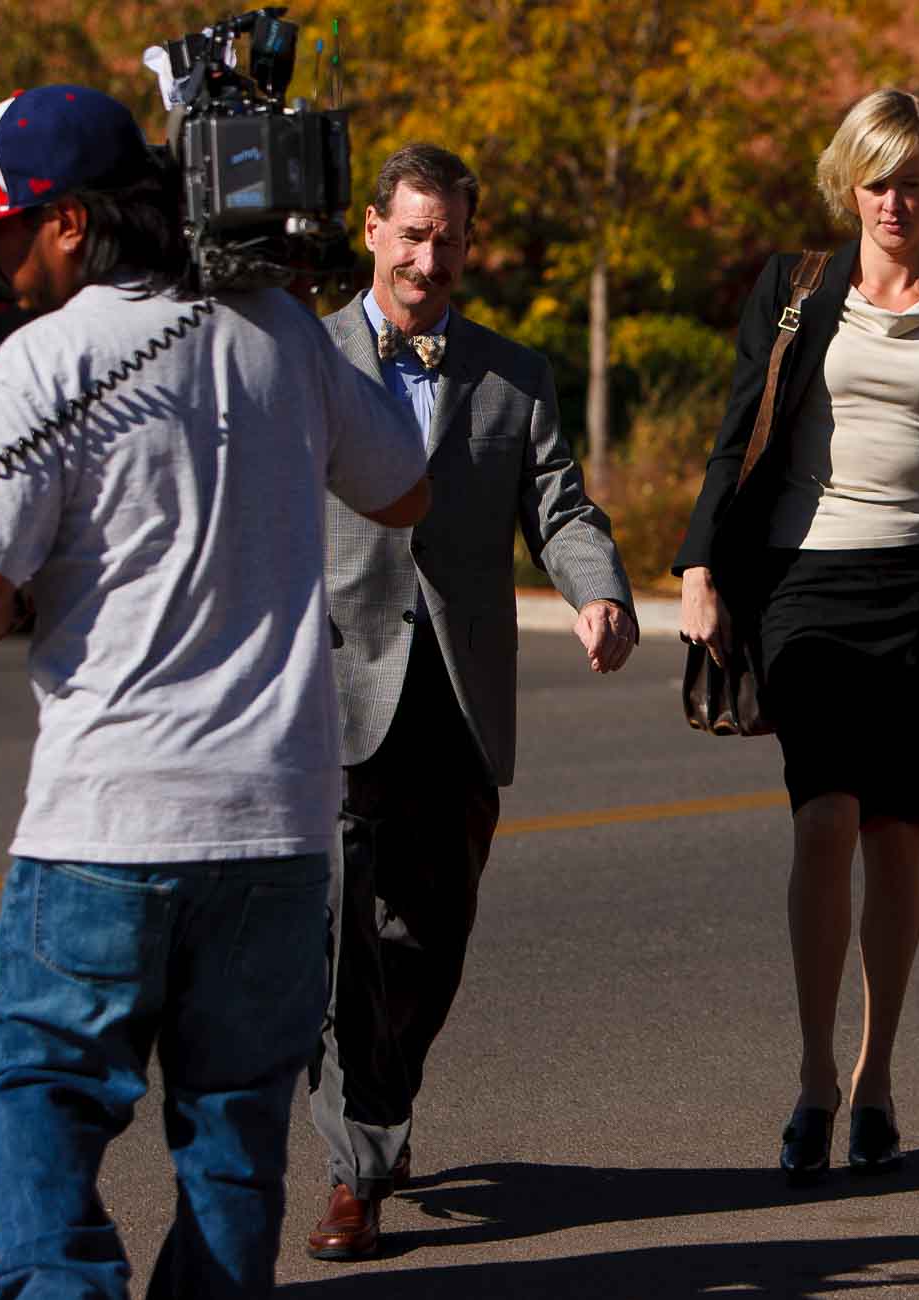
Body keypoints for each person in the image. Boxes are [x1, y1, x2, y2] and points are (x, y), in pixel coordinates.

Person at [0, 85, 431, 1299]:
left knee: (45, 1093)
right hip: (274, 826)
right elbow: (404, 485)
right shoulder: (283, 335)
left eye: (3, 225)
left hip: (106, 819)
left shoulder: (45, 358)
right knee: (235, 1128)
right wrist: (302, 326)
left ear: (74, 224)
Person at [676, 88, 919, 1184]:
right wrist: (701, 567)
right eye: (879, 180)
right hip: (808, 582)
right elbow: (733, 434)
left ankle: (876, 1075)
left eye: (916, 181)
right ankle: (810, 1077)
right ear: (851, 182)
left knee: (896, 837)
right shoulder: (794, 295)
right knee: (823, 818)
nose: (897, 200)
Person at [306, 142, 639, 1260]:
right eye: (409, 233)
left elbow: (562, 508)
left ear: (467, 243)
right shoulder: (304, 360)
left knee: (432, 935)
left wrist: (598, 596)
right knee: (346, 932)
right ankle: (359, 1162)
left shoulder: (513, 374)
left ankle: (384, 1094)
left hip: (456, 694)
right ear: (370, 231)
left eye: (446, 237)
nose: (427, 256)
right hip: (334, 686)